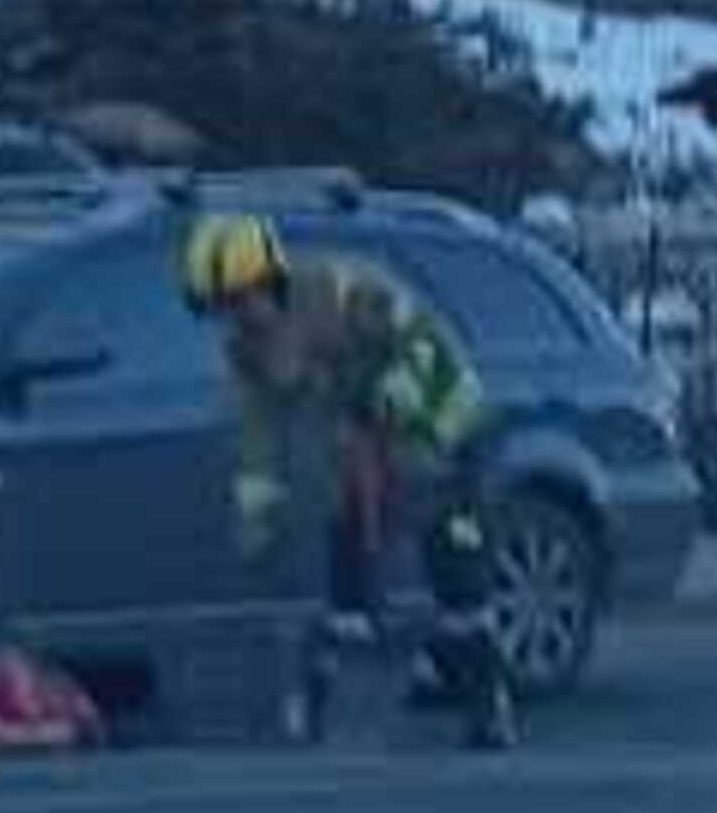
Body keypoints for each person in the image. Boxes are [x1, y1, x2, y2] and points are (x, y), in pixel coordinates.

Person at [179, 210, 518, 751]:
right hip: (366, 456)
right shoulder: (247, 351)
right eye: (221, 310)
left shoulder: (344, 293)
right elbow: (258, 436)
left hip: (448, 433)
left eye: (238, 303)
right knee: (347, 578)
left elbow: (427, 348)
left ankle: (488, 706)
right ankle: (333, 711)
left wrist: (390, 405)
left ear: (266, 281)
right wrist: (256, 515)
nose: (235, 320)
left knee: (457, 569)